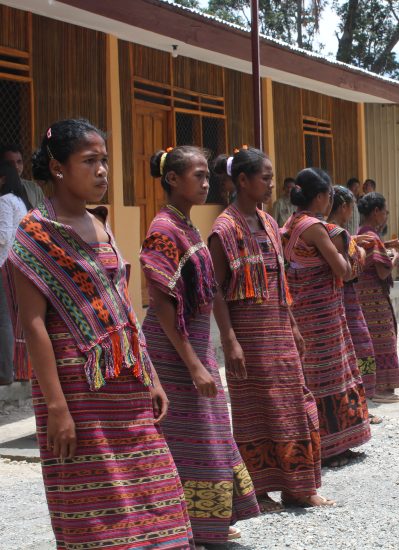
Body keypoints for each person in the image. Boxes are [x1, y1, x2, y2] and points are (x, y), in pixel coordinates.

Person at [9, 119, 194, 549]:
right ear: (58, 168)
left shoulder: (102, 224)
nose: (102, 171)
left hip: (125, 379)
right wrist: (57, 408)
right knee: (93, 499)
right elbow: (33, 323)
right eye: (89, 161)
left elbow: (123, 307)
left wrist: (151, 376)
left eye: (104, 161)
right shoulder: (35, 234)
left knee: (156, 484)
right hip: (76, 389)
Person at [142, 145, 260, 544]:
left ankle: (204, 520)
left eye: (208, 176)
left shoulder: (188, 225)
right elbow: (159, 303)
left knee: (210, 432)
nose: (206, 183)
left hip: (195, 342)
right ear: (172, 179)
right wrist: (193, 363)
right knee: (189, 437)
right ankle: (188, 523)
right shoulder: (163, 229)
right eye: (197, 175)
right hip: (173, 350)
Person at [209, 148, 333, 511]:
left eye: (271, 176)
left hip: (279, 330)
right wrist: (229, 341)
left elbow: (279, 279)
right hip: (247, 335)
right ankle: (258, 491)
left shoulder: (268, 223)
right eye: (264, 177)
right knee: (253, 410)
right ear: (243, 181)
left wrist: (292, 324)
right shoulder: (224, 229)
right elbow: (215, 288)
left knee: (294, 405)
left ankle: (298, 486)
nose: (271, 183)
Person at [282, 168, 371, 467]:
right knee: (331, 375)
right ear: (321, 197)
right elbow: (343, 270)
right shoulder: (316, 227)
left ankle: (327, 443)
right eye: (330, 196)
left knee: (315, 376)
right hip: (322, 314)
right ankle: (332, 446)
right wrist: (356, 253)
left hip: (303, 311)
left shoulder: (291, 223)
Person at [327, 185, 380, 409]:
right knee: (362, 348)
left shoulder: (326, 231)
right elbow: (351, 269)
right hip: (344, 299)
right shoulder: (337, 233)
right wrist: (361, 253)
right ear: (344, 207)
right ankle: (362, 401)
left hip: (341, 299)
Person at [356, 192, 399, 402]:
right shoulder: (373, 237)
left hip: (361, 297)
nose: (385, 216)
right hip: (374, 298)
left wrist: (388, 245)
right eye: (384, 212)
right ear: (376, 212)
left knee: (367, 343)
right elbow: (383, 271)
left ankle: (368, 383)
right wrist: (395, 257)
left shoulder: (362, 233)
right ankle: (382, 388)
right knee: (384, 339)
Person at [0, 162, 30, 385]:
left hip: (4, 264)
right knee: (15, 320)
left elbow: (2, 237)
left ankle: (5, 373)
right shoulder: (20, 200)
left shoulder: (4, 201)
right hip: (20, 264)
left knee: (4, 321)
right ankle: (20, 369)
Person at [0, 143, 44, 209]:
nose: (16, 167)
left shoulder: (34, 189)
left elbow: (44, 214)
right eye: (11, 163)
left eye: (19, 162)